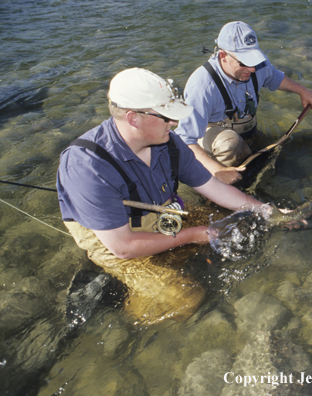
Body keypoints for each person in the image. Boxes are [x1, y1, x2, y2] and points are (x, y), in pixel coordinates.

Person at [56, 68, 272, 324]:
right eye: (166, 116)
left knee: (241, 226)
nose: (175, 123)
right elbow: (123, 246)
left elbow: (214, 188)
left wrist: (266, 210)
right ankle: (115, 295)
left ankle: (172, 255)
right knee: (187, 299)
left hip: (162, 214)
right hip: (115, 242)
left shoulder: (169, 141)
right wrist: (195, 234)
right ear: (133, 118)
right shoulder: (86, 167)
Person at [176, 21, 312, 184]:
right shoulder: (201, 85)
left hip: (247, 132)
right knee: (229, 145)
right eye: (244, 62)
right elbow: (185, 140)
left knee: (280, 157)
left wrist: (303, 91)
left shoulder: (256, 66)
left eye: (254, 61)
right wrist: (218, 171)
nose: (252, 69)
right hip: (214, 139)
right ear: (223, 56)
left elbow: (274, 77)